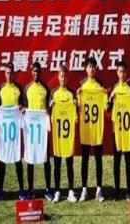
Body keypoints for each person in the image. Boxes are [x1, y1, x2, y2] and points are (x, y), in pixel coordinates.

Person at [0, 62, 26, 201]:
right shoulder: (0, 88)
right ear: (4, 74)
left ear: (14, 74)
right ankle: (0, 190)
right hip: (3, 132)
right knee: (2, 160)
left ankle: (22, 190)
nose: (9, 75)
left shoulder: (19, 88)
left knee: (18, 160)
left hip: (15, 131)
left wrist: (21, 108)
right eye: (6, 73)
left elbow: (22, 105)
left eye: (11, 73)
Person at [77, 57, 108, 202]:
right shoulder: (81, 85)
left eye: (94, 66)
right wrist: (77, 97)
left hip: (97, 129)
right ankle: (84, 189)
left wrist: (107, 95)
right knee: (84, 160)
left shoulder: (100, 85)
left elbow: (106, 107)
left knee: (98, 160)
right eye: (89, 66)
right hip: (85, 129)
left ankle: (99, 189)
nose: (91, 69)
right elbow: (78, 106)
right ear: (86, 69)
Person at [24, 62, 53, 201]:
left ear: (41, 73)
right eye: (34, 71)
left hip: (41, 130)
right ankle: (30, 190)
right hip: (31, 130)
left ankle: (48, 189)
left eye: (38, 71)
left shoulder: (46, 88)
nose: (36, 73)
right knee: (30, 160)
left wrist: (48, 111)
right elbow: (24, 107)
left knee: (46, 159)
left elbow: (49, 108)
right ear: (32, 72)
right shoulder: (27, 88)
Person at [108, 60, 130, 200]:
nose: (122, 74)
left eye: (124, 71)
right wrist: (110, 98)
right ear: (117, 73)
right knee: (117, 161)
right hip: (117, 131)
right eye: (120, 71)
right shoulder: (113, 88)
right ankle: (117, 190)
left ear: (127, 73)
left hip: (128, 130)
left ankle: (129, 190)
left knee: (128, 161)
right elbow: (108, 109)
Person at [49, 65, 77, 203]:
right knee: (57, 164)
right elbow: (48, 111)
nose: (63, 78)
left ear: (68, 78)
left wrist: (76, 104)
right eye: (61, 76)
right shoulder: (54, 93)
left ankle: (71, 191)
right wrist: (50, 105)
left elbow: (77, 112)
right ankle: (57, 191)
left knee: (69, 164)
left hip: (68, 136)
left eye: (65, 76)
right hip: (58, 136)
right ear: (58, 77)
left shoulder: (72, 93)